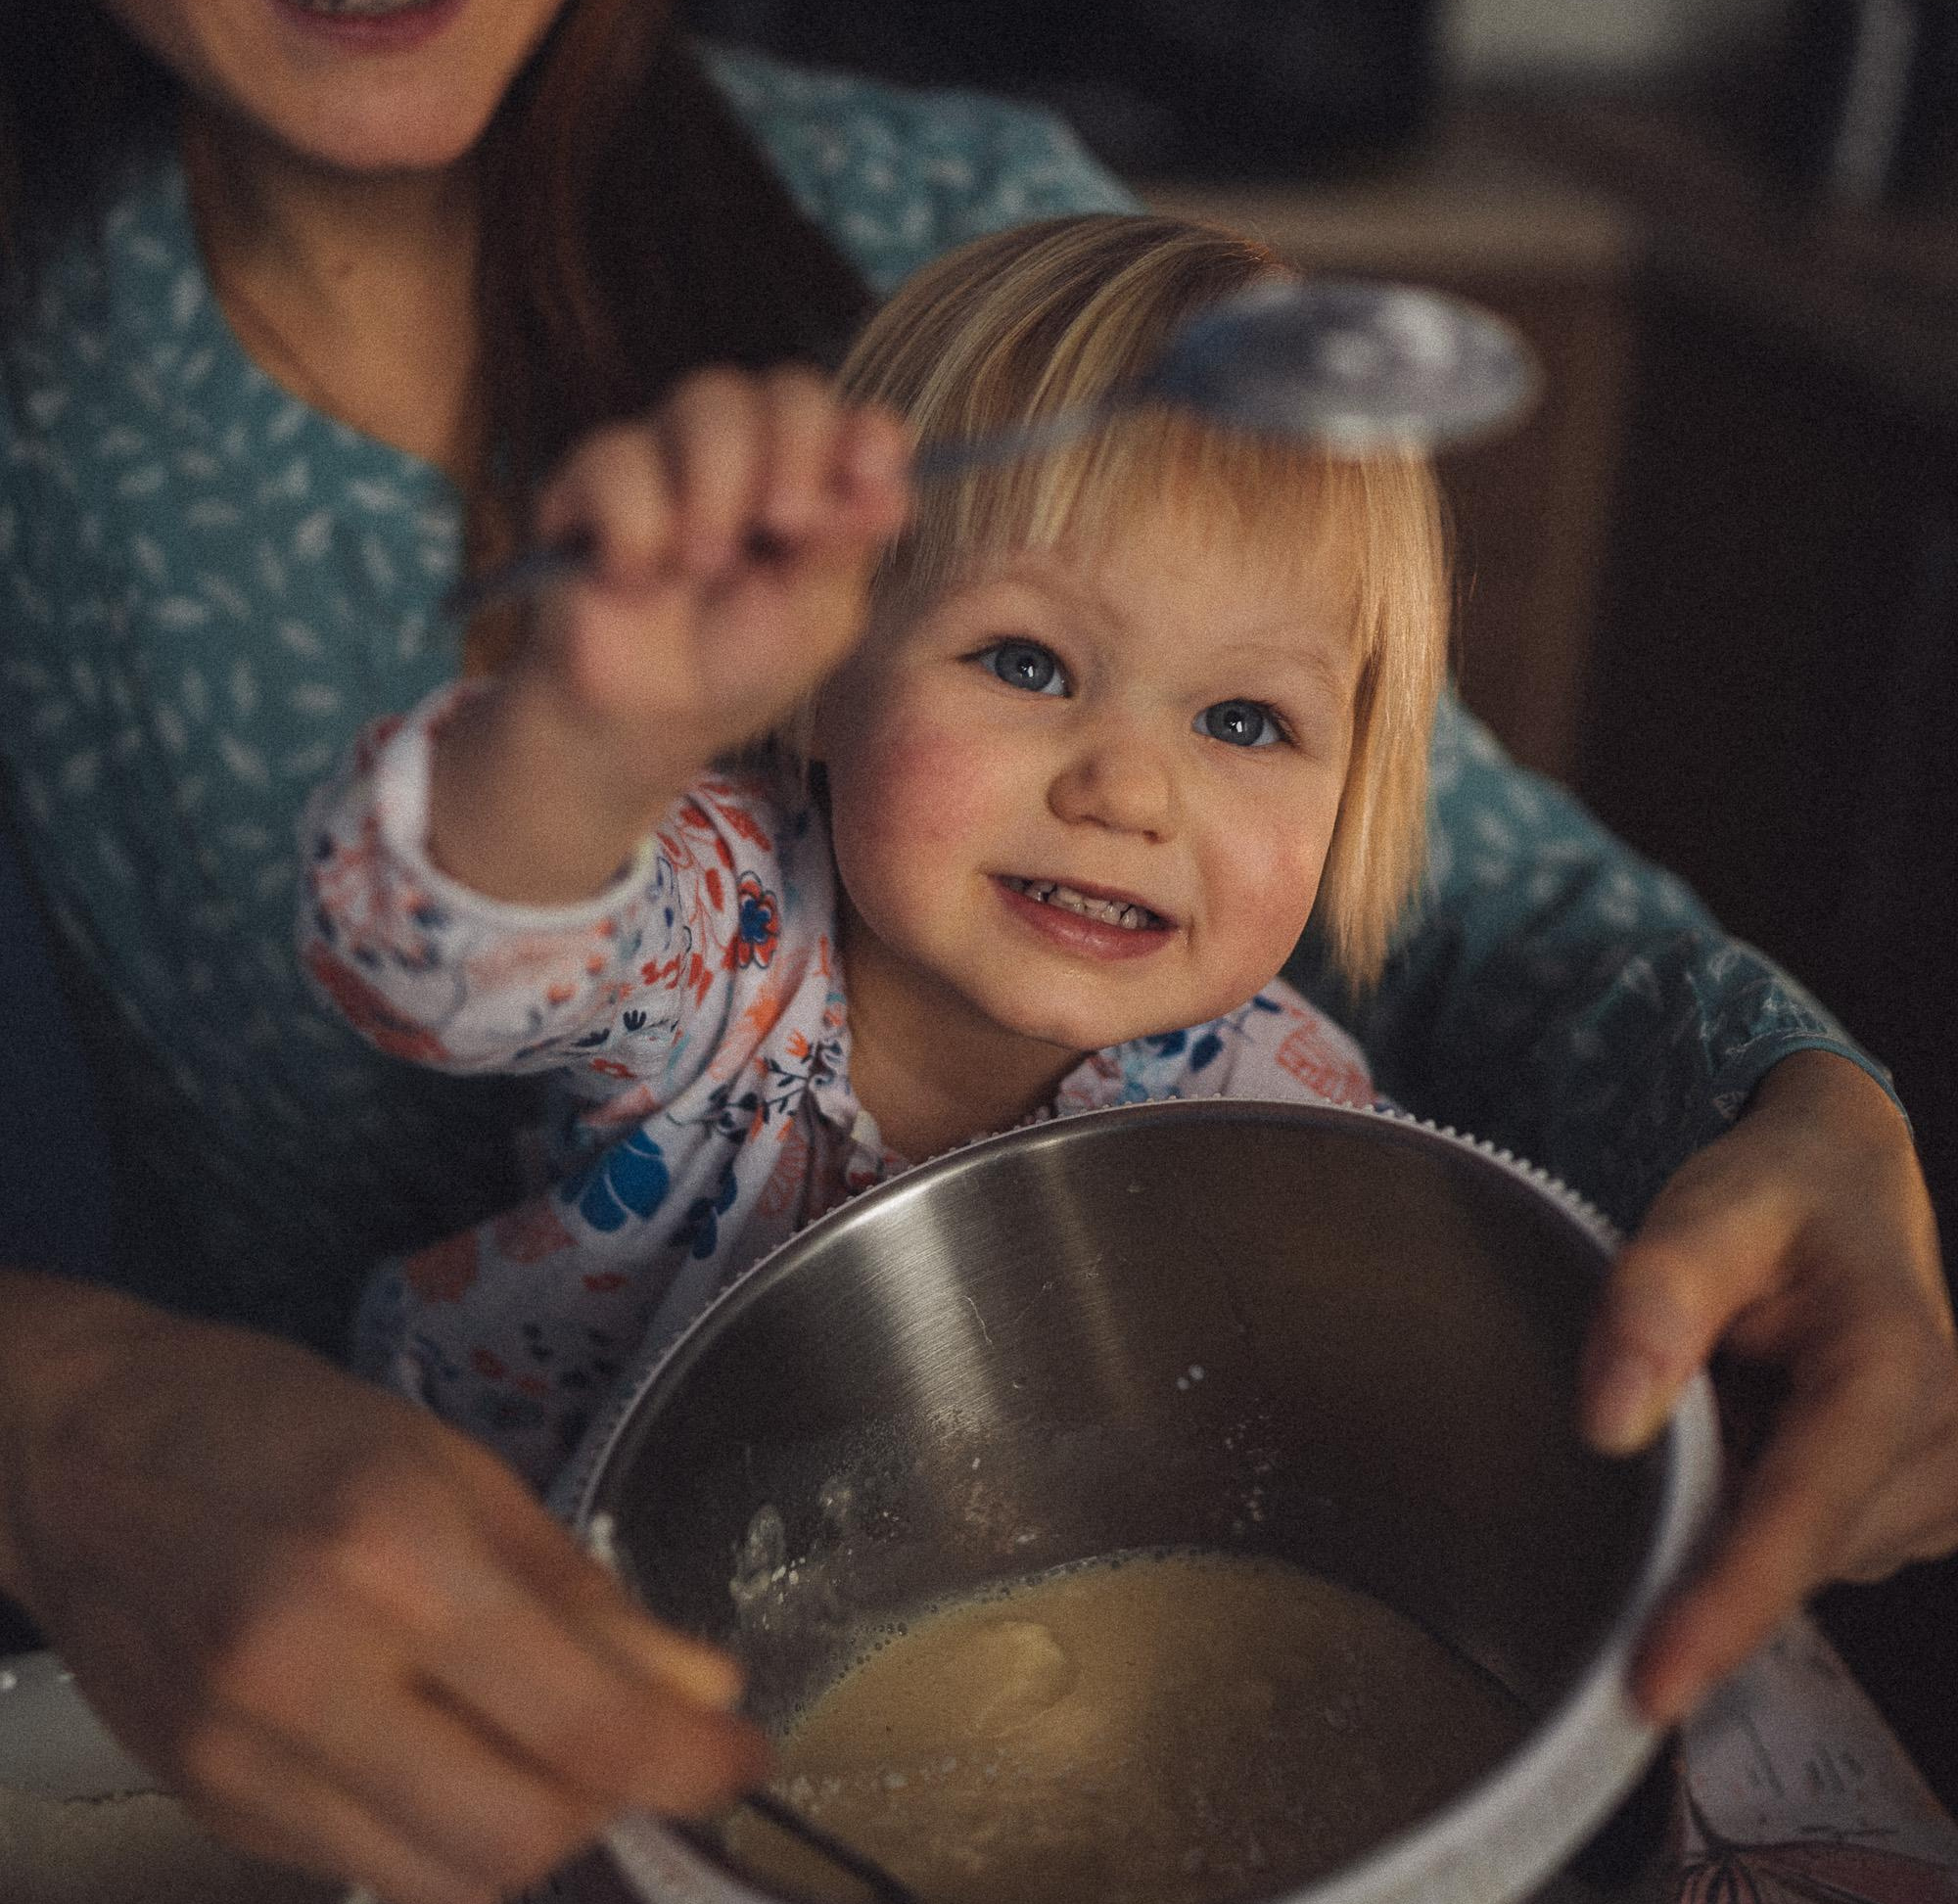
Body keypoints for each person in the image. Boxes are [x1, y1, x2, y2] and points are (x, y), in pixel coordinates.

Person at [0, 0, 1950, 1904]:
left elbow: (1473, 898)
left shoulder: (978, 251)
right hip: (405, 1808)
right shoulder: (639, 874)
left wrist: (1810, 1105)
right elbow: (473, 933)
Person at [299, 212, 1447, 1479]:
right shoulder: (722, 927)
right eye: (1027, 662)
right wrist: (592, 738)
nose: (1128, 790)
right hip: (512, 1574)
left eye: (1246, 720)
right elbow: (423, 958)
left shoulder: (1289, 1123)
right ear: (819, 676)